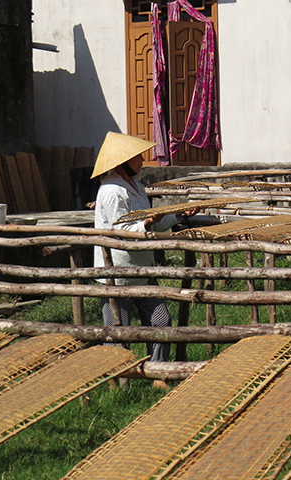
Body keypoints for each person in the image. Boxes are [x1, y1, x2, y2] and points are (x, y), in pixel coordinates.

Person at [91, 132, 198, 388]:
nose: (142, 160)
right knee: (119, 330)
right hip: (116, 275)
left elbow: (150, 224)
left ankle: (158, 374)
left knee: (161, 321)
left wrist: (178, 214)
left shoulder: (136, 187)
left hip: (141, 269)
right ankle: (117, 383)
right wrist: (145, 224)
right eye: (137, 156)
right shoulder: (112, 192)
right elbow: (122, 232)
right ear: (122, 162)